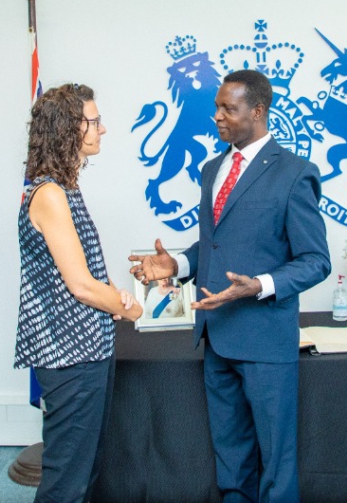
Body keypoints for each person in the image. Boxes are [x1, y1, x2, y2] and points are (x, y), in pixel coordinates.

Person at [128, 69, 331, 503]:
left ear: (258, 112)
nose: (217, 116)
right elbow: (216, 243)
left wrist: (258, 285)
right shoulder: (211, 169)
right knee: (231, 453)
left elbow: (316, 262)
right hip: (216, 337)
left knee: (277, 459)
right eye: (217, 107)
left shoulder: (295, 173)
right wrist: (177, 262)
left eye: (228, 109)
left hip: (265, 340)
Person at [13, 83, 142, 503]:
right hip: (68, 354)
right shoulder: (49, 194)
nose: (102, 129)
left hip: (87, 347)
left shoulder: (65, 188)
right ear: (69, 128)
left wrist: (115, 300)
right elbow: (81, 284)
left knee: (85, 472)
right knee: (67, 481)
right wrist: (131, 306)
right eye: (94, 121)